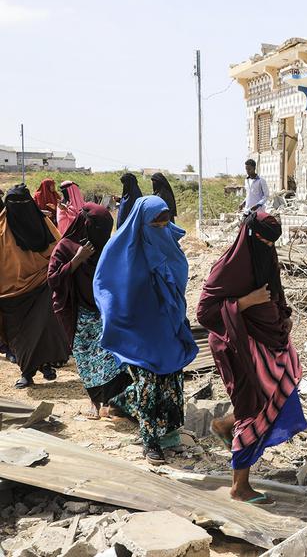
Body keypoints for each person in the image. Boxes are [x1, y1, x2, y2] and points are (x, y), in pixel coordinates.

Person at [197, 211, 306, 504]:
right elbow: (204, 313)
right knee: (252, 408)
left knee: (282, 389)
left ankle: (226, 424)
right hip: (238, 347)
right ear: (249, 236)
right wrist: (246, 302)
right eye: (263, 242)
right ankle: (239, 487)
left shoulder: (266, 255)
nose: (268, 248)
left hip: (271, 341)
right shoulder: (228, 267)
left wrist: (284, 317)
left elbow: (275, 294)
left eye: (273, 244)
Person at [94, 196, 198, 464]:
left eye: (165, 223)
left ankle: (150, 421)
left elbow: (179, 285)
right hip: (138, 332)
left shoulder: (169, 248)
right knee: (148, 385)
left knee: (171, 380)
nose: (162, 229)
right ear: (142, 223)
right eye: (156, 224)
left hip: (166, 328)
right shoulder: (122, 252)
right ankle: (150, 443)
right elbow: (107, 288)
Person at [48, 204, 130, 418]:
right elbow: (53, 280)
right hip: (77, 310)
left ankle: (114, 402)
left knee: (111, 357)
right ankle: (94, 400)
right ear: (86, 226)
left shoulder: (107, 246)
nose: (101, 234)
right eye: (98, 228)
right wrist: (77, 259)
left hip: (105, 311)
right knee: (85, 358)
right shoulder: (65, 247)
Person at [0, 185, 69, 388]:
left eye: (23, 203)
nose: (20, 209)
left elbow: (59, 250)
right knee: (19, 335)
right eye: (15, 204)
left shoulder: (44, 223)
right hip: (10, 294)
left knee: (43, 329)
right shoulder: (2, 227)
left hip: (41, 286)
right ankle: (29, 370)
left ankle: (39, 368)